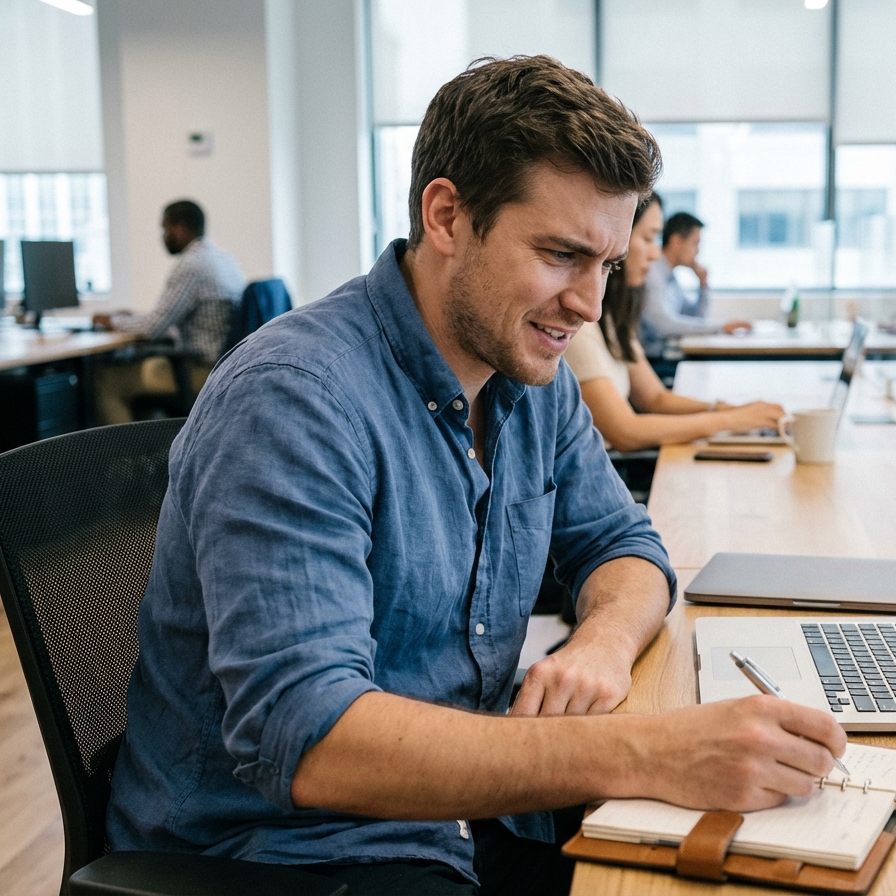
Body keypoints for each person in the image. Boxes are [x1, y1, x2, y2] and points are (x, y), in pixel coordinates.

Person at [106, 56, 846, 895]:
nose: (589, 304)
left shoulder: (529, 374)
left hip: (462, 811)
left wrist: (600, 646)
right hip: (288, 853)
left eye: (605, 263)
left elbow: (625, 544)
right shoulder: (294, 400)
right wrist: (648, 750)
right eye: (563, 254)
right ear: (448, 215)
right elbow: (308, 737)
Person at [563, 194, 785, 452]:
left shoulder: (611, 318)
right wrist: (729, 421)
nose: (656, 253)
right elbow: (625, 431)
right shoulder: (581, 324)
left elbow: (656, 399)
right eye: (648, 238)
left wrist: (726, 409)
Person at [93, 199, 246, 424]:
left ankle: (125, 458)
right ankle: (148, 453)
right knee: (136, 373)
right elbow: (171, 318)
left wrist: (111, 321)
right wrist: (131, 318)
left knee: (106, 380)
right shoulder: (223, 259)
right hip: (222, 365)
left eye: (165, 228)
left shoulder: (192, 265)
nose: (162, 236)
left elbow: (153, 327)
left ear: (181, 227)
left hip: (199, 370)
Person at [637, 211, 750, 359]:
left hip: (669, 355)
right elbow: (664, 326)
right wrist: (721, 327)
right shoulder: (652, 273)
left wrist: (703, 285)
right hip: (657, 360)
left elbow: (696, 317)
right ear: (676, 241)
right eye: (695, 243)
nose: (698, 251)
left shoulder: (671, 277)